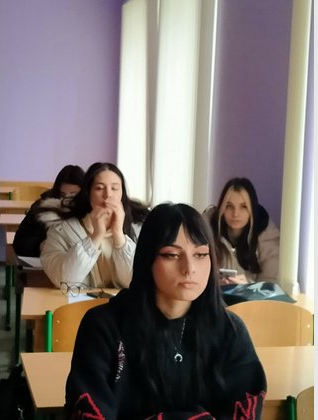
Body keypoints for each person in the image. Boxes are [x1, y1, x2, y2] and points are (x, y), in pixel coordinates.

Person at [64, 202, 267, 419]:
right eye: (172, 255)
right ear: (147, 259)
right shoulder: (104, 327)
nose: (189, 269)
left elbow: (245, 409)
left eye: (200, 254)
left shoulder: (230, 330)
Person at [40, 162, 150, 289]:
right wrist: (96, 237)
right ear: (88, 193)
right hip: (78, 301)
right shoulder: (61, 229)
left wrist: (119, 236)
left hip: (122, 301)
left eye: (114, 188)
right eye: (99, 188)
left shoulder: (139, 228)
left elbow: (136, 282)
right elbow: (66, 282)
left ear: (122, 193)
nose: (108, 195)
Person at [204, 177, 280, 285]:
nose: (235, 213)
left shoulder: (266, 235)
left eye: (243, 206)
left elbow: (271, 285)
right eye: (229, 206)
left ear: (252, 209)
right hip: (214, 294)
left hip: (250, 295)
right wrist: (214, 285)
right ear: (222, 208)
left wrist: (247, 287)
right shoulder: (207, 228)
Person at [12, 165, 85, 258]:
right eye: (62, 195)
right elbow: (19, 242)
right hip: (46, 262)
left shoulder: (91, 210)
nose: (66, 200)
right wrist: (40, 246)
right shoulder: (42, 207)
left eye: (73, 195)